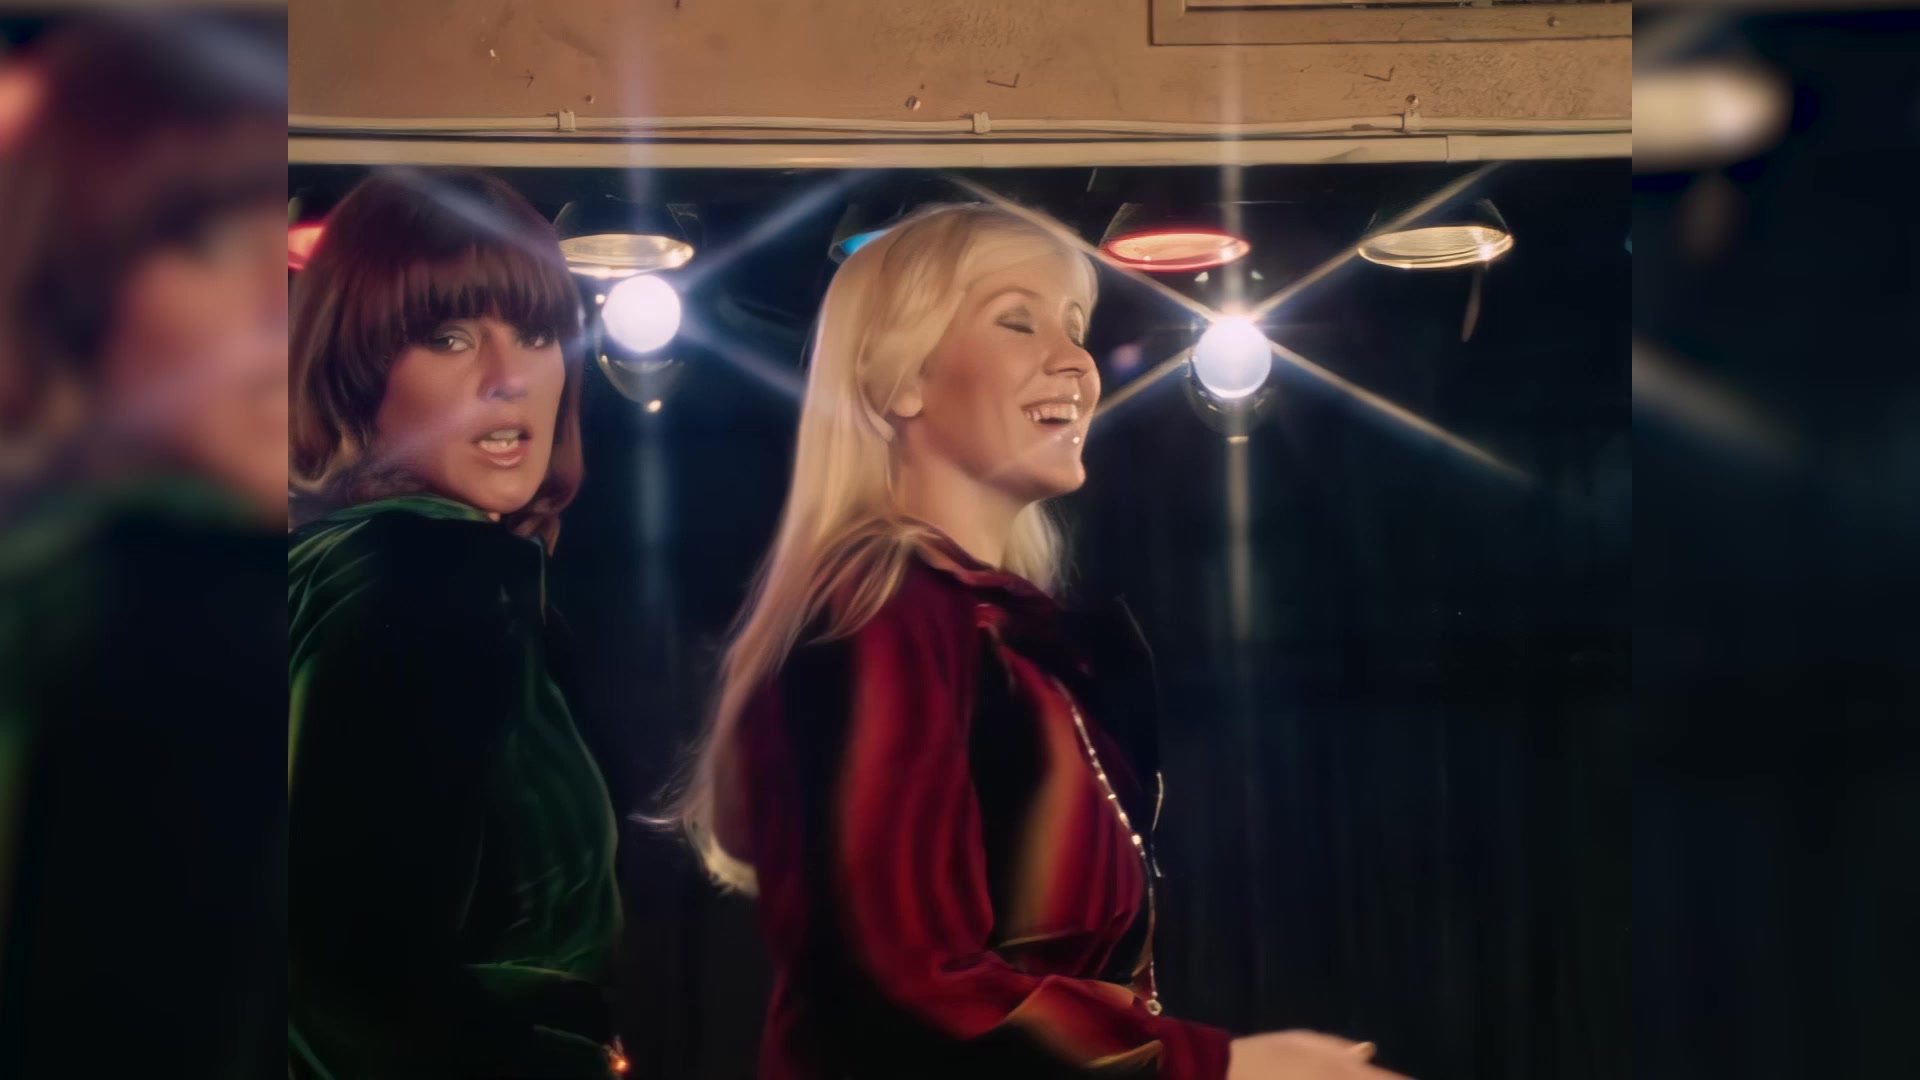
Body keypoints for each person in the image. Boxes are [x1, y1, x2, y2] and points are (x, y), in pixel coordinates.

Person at [675, 204, 1404, 1080]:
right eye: (1018, 322)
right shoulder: (885, 612)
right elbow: (905, 982)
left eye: (1077, 327)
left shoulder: (990, 632)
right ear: (897, 378)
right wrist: (1226, 1067)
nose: (1076, 362)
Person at [286, 169, 624, 1080]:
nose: (509, 379)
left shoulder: (339, 563)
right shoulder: (427, 573)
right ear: (355, 371)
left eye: (538, 333)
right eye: (449, 337)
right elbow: (350, 976)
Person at [0, 14, 287, 1079]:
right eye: (204, 240)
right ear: (76, 288)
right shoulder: (182, 613)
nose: (274, 305)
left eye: (279, 238)